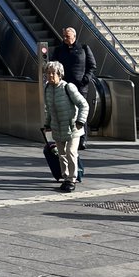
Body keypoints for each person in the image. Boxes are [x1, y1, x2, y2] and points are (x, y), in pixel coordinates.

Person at [42, 60, 88, 192]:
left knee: (70, 152)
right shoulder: (47, 89)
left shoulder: (68, 87)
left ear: (60, 74)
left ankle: (72, 179)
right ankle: (66, 176)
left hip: (73, 127)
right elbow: (49, 109)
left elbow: (84, 105)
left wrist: (80, 121)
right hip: (57, 128)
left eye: (53, 73)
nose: (50, 76)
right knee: (61, 154)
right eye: (48, 73)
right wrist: (47, 124)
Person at [51, 27, 96, 106]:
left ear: (74, 36)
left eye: (67, 36)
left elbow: (92, 66)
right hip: (64, 86)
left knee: (81, 108)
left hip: (80, 87)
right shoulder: (58, 50)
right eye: (64, 36)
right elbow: (54, 65)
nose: (65, 38)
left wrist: (86, 79)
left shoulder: (84, 48)